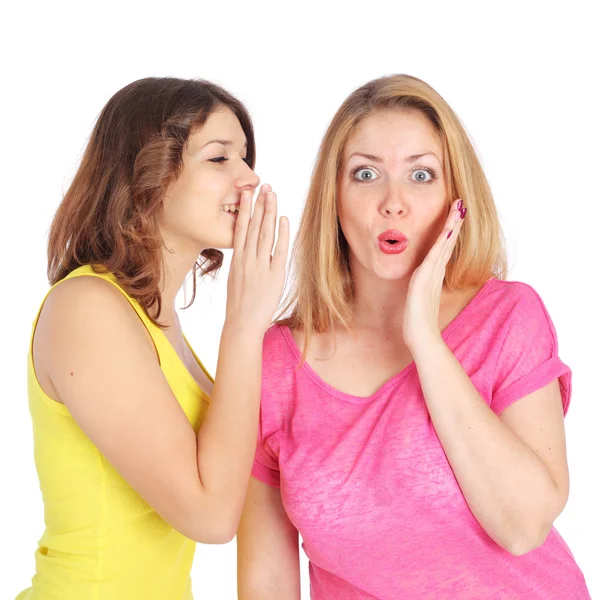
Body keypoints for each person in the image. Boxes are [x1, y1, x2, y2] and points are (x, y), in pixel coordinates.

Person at [237, 74, 590, 599]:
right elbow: (267, 580)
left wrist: (425, 337)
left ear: (456, 197)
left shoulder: (508, 318)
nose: (393, 202)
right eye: (365, 174)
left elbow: (522, 525)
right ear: (333, 198)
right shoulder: (277, 365)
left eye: (421, 174)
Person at [17, 77, 289, 600]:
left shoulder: (154, 319)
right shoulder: (88, 309)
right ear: (149, 176)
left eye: (246, 157)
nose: (249, 179)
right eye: (220, 158)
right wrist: (244, 325)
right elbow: (210, 517)